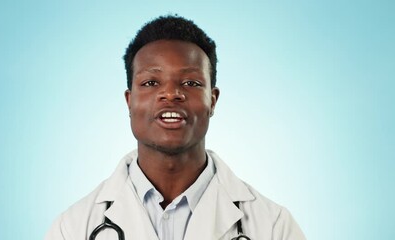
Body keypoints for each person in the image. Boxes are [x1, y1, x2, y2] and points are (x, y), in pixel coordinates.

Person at [45, 15, 306, 240]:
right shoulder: (72, 228)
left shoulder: (274, 227)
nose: (171, 94)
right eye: (150, 83)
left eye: (191, 83)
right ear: (129, 100)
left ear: (212, 101)